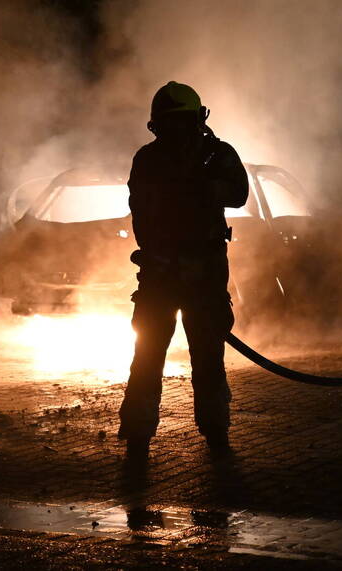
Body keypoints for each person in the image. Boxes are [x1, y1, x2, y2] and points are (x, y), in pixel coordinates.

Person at [117, 81, 249, 458]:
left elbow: (238, 193)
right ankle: (145, 435)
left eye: (180, 123)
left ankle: (210, 432)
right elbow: (142, 213)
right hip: (164, 275)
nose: (176, 131)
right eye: (170, 124)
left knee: (199, 358)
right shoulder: (150, 160)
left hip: (199, 276)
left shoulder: (214, 155)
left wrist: (207, 187)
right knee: (154, 357)